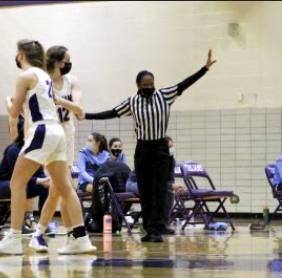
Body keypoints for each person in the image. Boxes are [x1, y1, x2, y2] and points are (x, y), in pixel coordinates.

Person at [80, 50, 217, 242]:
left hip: (160, 149)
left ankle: (156, 229)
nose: (149, 87)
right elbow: (112, 112)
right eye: (145, 85)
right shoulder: (133, 102)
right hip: (142, 149)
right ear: (138, 86)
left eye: (151, 84)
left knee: (160, 189)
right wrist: (87, 116)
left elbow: (185, 84)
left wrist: (205, 68)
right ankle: (149, 228)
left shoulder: (165, 95)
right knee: (145, 191)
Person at [0, 39, 96, 255]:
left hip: (41, 130)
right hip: (58, 132)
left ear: (20, 55)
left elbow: (13, 111)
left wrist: (7, 101)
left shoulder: (25, 76)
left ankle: (14, 238)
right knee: (65, 187)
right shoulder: (44, 76)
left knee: (16, 183)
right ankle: (81, 237)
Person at [30, 45, 84, 248]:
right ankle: (69, 235)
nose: (69, 63)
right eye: (66, 60)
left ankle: (49, 234)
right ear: (56, 62)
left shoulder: (72, 81)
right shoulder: (42, 82)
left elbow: (79, 110)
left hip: (68, 138)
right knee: (62, 188)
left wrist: (59, 100)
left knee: (59, 190)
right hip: (51, 138)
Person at [0, 120, 50, 234]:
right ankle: (19, 226)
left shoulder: (35, 151)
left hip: (21, 183)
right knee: (21, 186)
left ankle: (43, 225)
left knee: (46, 187)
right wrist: (40, 180)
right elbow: (19, 177)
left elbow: (40, 173)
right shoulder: (13, 150)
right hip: (0, 185)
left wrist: (46, 180)